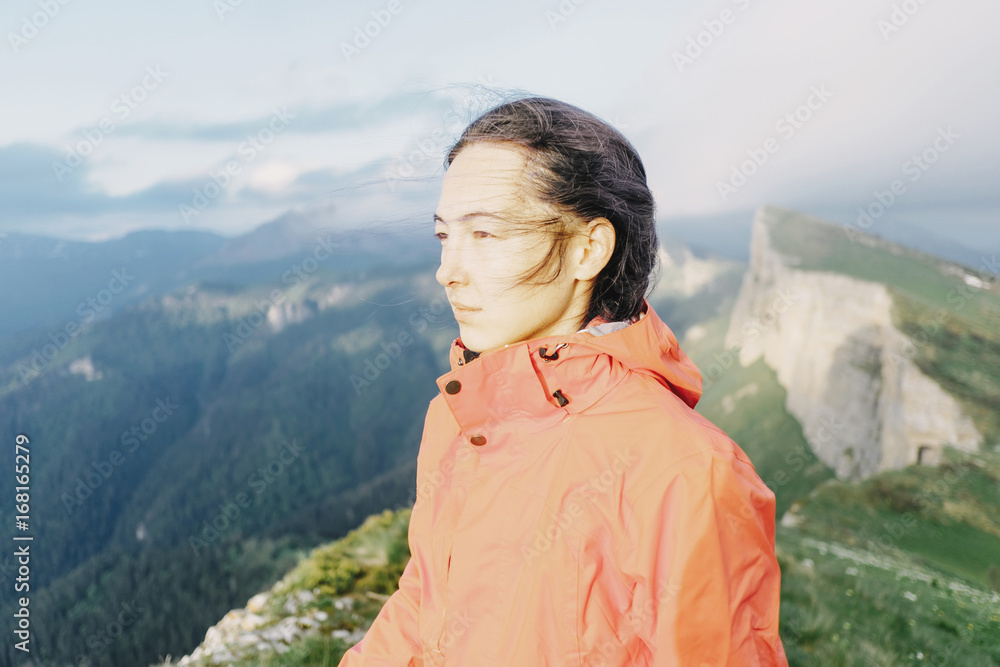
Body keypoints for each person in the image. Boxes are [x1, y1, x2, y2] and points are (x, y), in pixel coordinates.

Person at [339, 95, 788, 666]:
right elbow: (426, 601)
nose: (446, 271)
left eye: (485, 236)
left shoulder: (688, 473)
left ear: (588, 249)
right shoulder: (461, 414)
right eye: (444, 236)